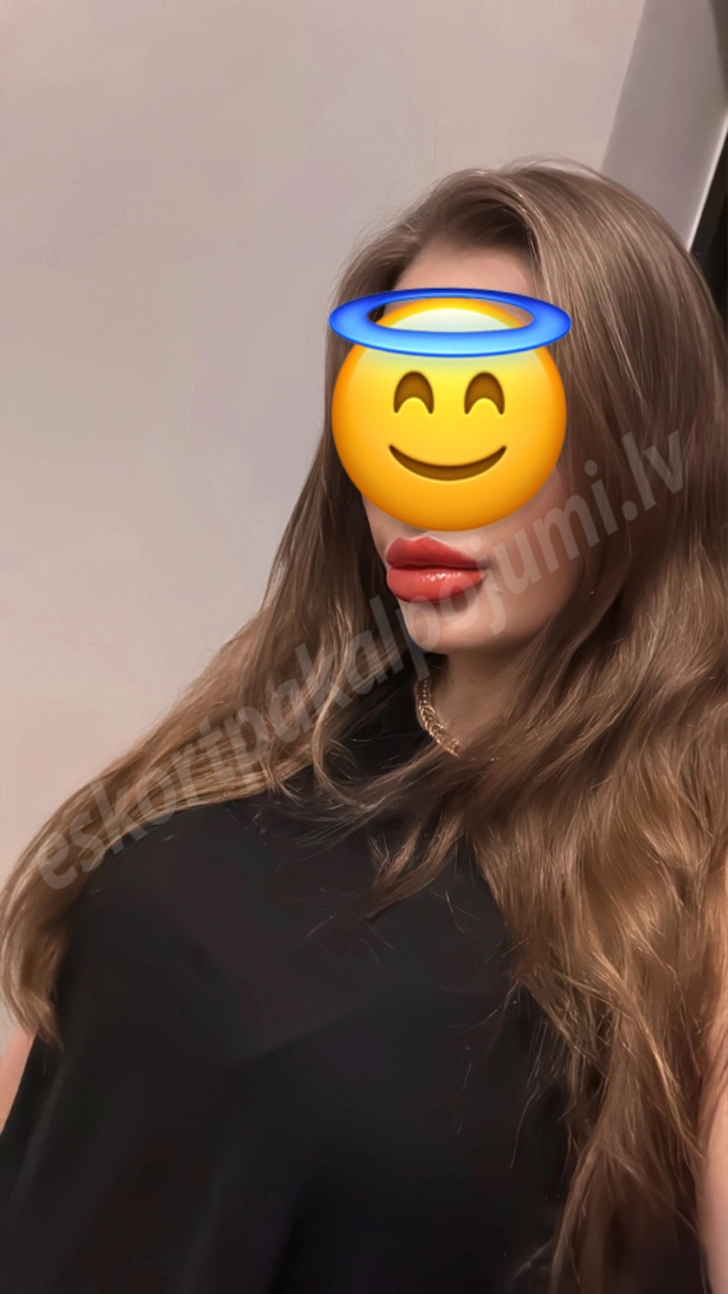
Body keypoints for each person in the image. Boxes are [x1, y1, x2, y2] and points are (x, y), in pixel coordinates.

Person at [0, 160, 725, 1294]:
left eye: (493, 410)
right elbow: (85, 1073)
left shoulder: (692, 862)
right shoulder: (282, 727)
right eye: (398, 406)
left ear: (641, 452)